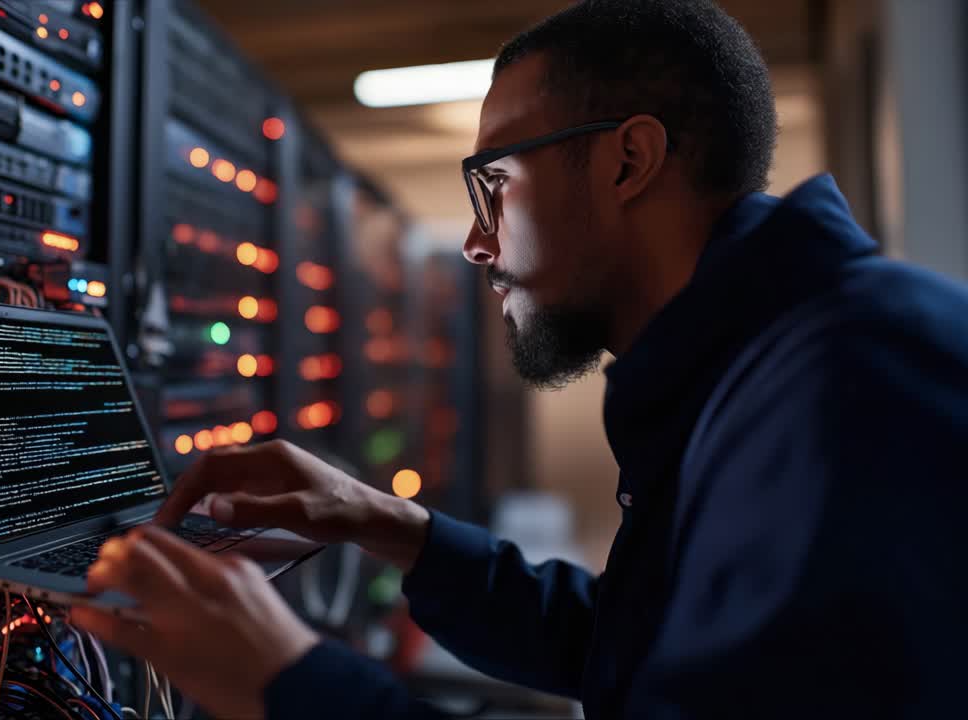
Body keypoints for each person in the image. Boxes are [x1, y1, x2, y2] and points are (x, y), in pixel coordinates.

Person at [73, 0, 968, 717]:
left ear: (628, 161)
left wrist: (288, 680)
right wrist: (390, 525)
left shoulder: (851, 382)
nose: (472, 241)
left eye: (493, 183)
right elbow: (631, 649)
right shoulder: (763, 373)